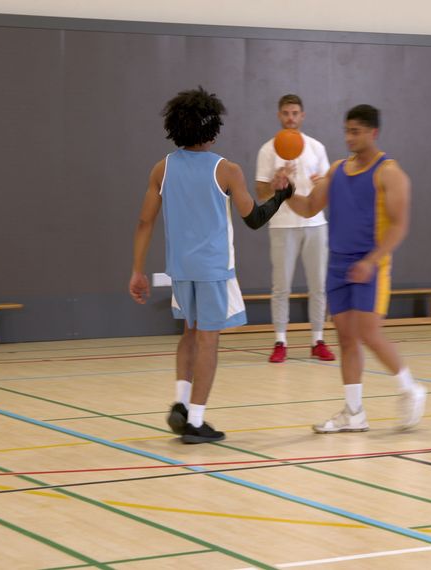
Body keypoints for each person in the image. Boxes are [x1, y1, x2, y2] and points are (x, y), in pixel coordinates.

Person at [130, 87, 295, 443]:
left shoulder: (162, 168)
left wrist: (137, 270)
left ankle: (180, 403)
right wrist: (283, 194)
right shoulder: (227, 170)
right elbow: (254, 219)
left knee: (189, 333)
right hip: (213, 269)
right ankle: (195, 421)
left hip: (181, 268)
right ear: (213, 128)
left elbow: (145, 222)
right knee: (208, 340)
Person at [283, 104, 426, 433]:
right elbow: (308, 207)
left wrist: (370, 262)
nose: (349, 137)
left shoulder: (389, 172)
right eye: (347, 131)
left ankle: (410, 388)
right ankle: (354, 412)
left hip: (371, 263)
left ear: (373, 133)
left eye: (356, 132)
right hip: (338, 264)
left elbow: (399, 226)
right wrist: (285, 191)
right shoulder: (336, 170)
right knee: (347, 338)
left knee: (368, 332)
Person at [255, 94, 335, 363]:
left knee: (318, 285)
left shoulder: (316, 147)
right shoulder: (268, 150)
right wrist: (276, 183)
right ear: (279, 115)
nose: (290, 118)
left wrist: (321, 182)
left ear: (302, 116)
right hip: (282, 224)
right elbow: (260, 192)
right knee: (281, 287)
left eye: (295, 113)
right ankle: (280, 341)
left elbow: (327, 186)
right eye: (286, 113)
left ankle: (317, 340)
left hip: (315, 224)